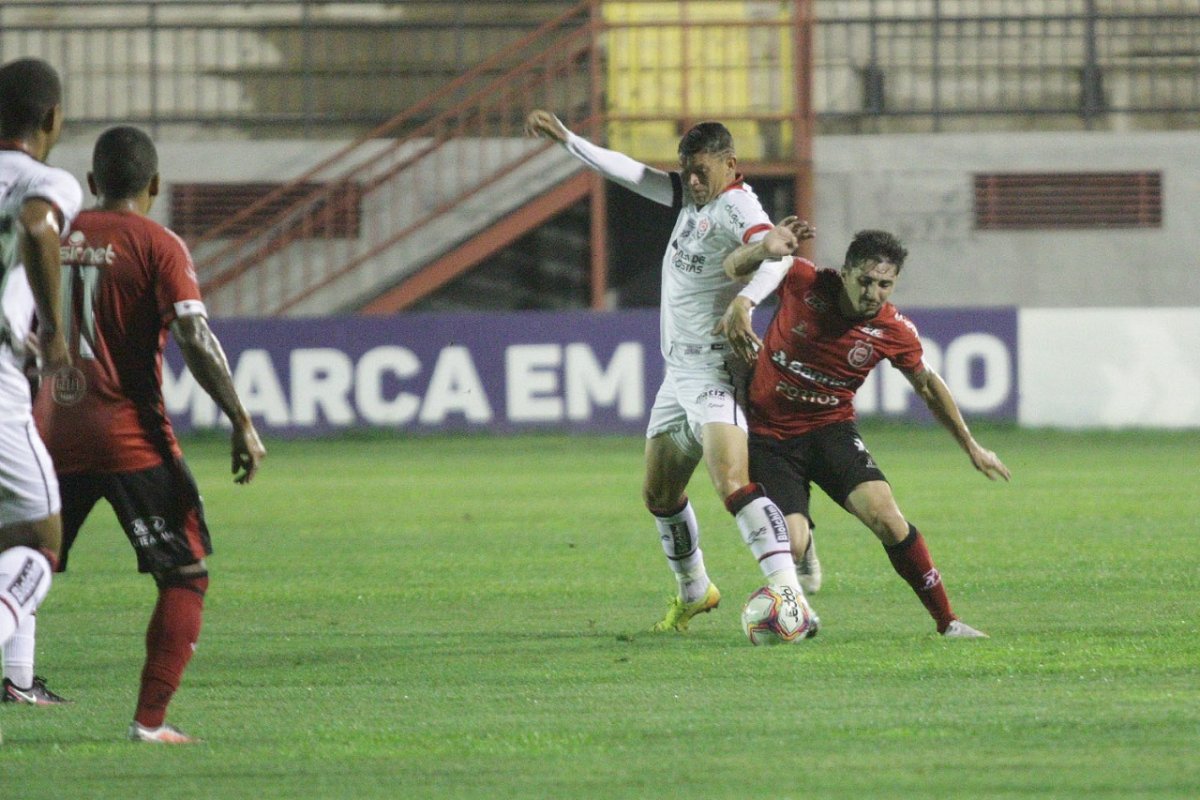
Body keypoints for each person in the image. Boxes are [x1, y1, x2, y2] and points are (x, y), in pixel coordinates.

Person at [525, 109, 821, 634]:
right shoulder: (692, 195)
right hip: (676, 374)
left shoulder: (738, 205)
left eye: (701, 169)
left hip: (715, 371)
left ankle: (791, 596)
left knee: (733, 482)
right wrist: (571, 139)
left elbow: (773, 253)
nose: (692, 180)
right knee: (659, 496)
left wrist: (746, 302)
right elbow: (631, 172)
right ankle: (695, 590)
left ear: (730, 164)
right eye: (686, 170)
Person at [33, 125, 266, 742]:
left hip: (50, 434)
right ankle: (150, 723)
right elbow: (193, 334)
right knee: (185, 575)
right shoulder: (157, 244)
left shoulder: (52, 235)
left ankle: (15, 675)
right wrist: (240, 420)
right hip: (132, 438)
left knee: (24, 566)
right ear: (155, 185)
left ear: (91, 183)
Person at [717, 229, 1010, 637]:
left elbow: (927, 385)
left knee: (887, 517)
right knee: (793, 545)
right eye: (865, 281)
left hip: (830, 429)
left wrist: (972, 446)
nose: (873, 293)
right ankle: (800, 563)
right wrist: (754, 276)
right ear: (845, 273)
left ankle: (948, 622)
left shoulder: (894, 330)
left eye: (884, 284)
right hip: (771, 436)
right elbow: (735, 265)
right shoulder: (803, 280)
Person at [0, 58, 81, 721]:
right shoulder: (44, 180)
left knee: (6, 535)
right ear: (52, 119)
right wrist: (53, 331)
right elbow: (35, 225)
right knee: (43, 537)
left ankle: (18, 682)